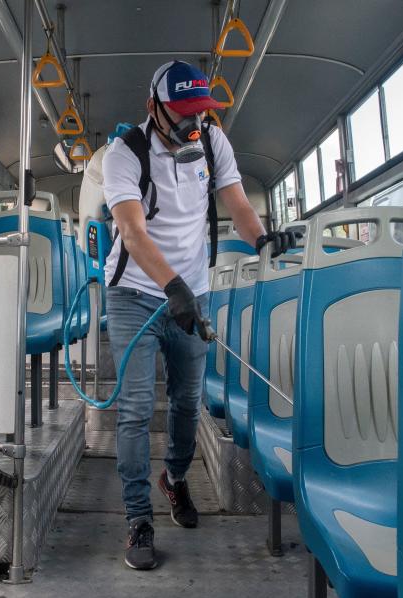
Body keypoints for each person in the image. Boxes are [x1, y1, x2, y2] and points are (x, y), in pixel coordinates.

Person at [101, 60, 300, 570]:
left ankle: (176, 479)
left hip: (193, 290)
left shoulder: (212, 142)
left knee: (188, 400)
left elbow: (235, 200)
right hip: (136, 293)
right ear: (154, 108)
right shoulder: (124, 155)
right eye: (184, 115)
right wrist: (173, 288)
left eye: (201, 114)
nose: (194, 124)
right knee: (137, 408)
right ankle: (137, 518)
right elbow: (132, 231)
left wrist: (261, 238)